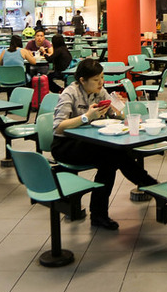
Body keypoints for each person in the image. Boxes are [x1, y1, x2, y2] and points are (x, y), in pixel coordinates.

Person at [51, 59, 159, 230]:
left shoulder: (100, 92)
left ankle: (101, 213)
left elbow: (116, 115)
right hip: (65, 145)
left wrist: (119, 109)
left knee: (113, 156)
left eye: (102, 77)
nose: (101, 82)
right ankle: (149, 184)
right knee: (112, 157)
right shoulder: (69, 93)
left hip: (91, 141)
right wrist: (86, 117)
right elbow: (58, 127)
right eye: (96, 79)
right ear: (82, 80)